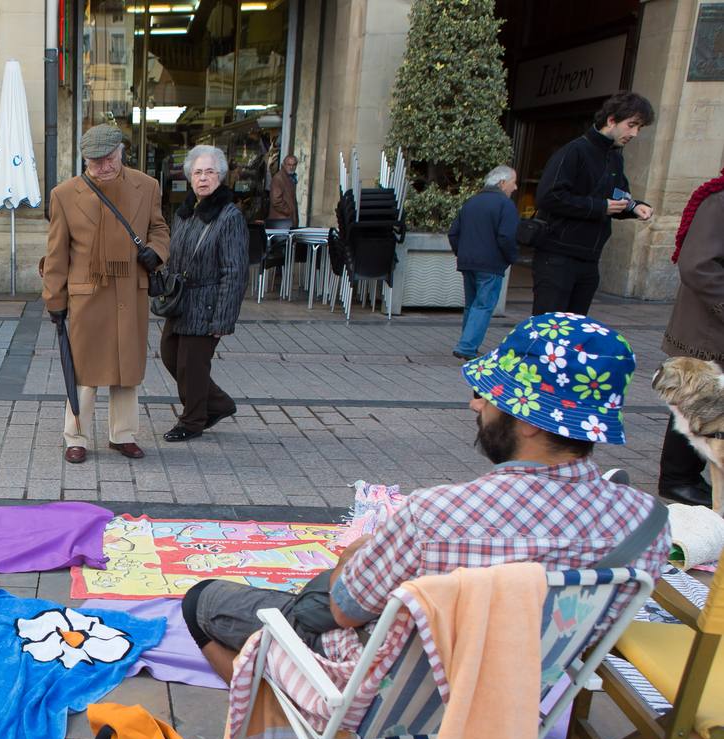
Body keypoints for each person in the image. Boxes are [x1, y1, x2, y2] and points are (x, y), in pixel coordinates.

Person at [182, 313, 669, 686]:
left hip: (401, 691)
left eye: (490, 395)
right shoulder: (647, 523)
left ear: (526, 420)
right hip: (524, 691)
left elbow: (348, 609)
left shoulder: (438, 514)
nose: (476, 403)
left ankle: (276, 701)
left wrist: (357, 550)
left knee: (201, 602)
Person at [42, 124, 170, 464]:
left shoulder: (147, 186)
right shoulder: (65, 195)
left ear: (121, 152)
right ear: (85, 160)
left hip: (131, 290)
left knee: (127, 369)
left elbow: (159, 228)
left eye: (110, 159)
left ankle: (122, 435)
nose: (105, 167)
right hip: (88, 296)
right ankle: (76, 436)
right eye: (96, 162)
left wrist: (157, 251)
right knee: (83, 372)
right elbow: (57, 254)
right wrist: (54, 300)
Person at [532, 92, 655, 316]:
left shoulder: (615, 157)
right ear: (611, 120)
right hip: (558, 258)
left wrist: (634, 206)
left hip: (589, 260)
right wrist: (600, 207)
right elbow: (549, 196)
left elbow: (618, 196)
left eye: (640, 128)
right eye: (632, 125)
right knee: (548, 330)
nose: (635, 133)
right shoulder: (574, 151)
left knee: (576, 330)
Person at [160, 144, 248, 443]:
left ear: (221, 176)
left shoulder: (229, 216)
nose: (203, 178)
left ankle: (193, 419)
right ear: (189, 176)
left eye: (210, 172)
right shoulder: (185, 212)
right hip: (182, 301)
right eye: (198, 172)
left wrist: (223, 320)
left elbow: (235, 271)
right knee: (170, 355)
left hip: (208, 304)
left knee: (191, 365)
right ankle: (219, 403)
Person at [657, 167, 724, 506]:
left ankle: (688, 474)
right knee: (696, 398)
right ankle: (677, 479)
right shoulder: (719, 199)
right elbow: (698, 265)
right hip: (707, 327)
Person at [448, 165, 519, 360]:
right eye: (513, 182)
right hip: (490, 264)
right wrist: (512, 258)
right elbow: (506, 237)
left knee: (472, 305)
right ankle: (467, 346)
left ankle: (468, 343)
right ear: (502, 183)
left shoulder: (471, 202)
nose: (516, 188)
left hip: (468, 262)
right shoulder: (505, 205)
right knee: (483, 306)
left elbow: (454, 233)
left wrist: (461, 253)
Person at [268, 153, 298, 227]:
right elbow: (276, 201)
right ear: (284, 165)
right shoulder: (279, 178)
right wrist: (289, 211)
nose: (291, 167)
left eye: (294, 165)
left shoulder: (289, 177)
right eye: (289, 165)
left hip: (285, 221)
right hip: (281, 222)